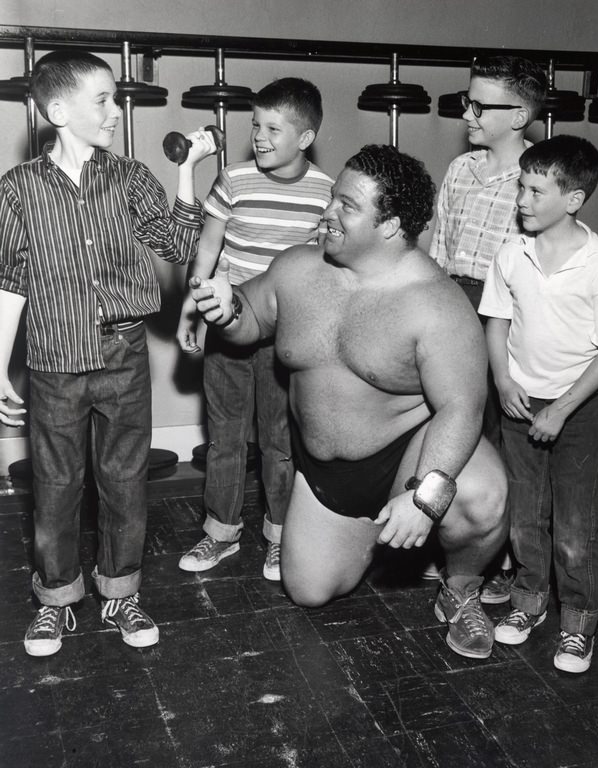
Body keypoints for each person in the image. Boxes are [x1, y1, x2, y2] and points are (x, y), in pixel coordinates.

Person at [190, 144, 509, 660]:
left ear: (390, 226)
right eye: (332, 198)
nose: (327, 213)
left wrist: (425, 497)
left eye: (346, 206)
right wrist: (226, 310)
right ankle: (379, 538)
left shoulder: (437, 304)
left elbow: (461, 408)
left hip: (408, 449)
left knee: (478, 498)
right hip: (326, 471)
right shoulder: (298, 268)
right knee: (309, 591)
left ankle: (461, 587)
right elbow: (252, 317)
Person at [0, 49, 217, 656]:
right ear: (57, 109)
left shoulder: (128, 177)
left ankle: (120, 593)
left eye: (115, 98)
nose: (116, 111)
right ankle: (56, 599)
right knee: (56, 484)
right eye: (104, 99)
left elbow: (177, 246)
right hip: (52, 363)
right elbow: (9, 283)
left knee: (123, 482)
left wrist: (186, 172)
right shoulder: (18, 189)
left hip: (123, 356)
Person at [479, 135, 598, 673]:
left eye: (536, 190)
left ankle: (578, 624)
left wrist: (562, 408)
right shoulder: (510, 251)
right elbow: (496, 320)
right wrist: (502, 379)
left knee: (576, 526)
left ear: (573, 199)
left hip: (578, 409)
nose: (521, 199)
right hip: (519, 401)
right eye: (521, 185)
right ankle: (529, 604)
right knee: (524, 517)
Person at [176, 78, 333, 581]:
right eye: (255, 125)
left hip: (288, 335)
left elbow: (328, 269)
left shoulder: (326, 193)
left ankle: (279, 536)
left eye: (272, 128)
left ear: (305, 137)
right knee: (225, 439)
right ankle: (220, 533)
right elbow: (207, 248)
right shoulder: (234, 179)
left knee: (280, 441)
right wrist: (191, 306)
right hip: (228, 323)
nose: (259, 136)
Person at [429, 54, 547, 603]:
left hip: (504, 312)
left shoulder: (535, 176)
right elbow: (440, 245)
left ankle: (497, 555)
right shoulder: (460, 169)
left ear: (519, 115)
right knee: (451, 425)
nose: (468, 114)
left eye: (481, 105)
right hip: (453, 299)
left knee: (500, 435)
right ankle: (451, 539)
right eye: (466, 101)